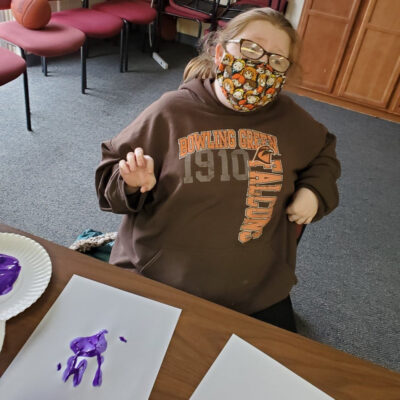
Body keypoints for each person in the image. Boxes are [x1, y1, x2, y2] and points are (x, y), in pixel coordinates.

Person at [95, 7, 341, 333]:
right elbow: (108, 177)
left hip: (255, 289)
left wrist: (314, 189)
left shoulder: (292, 121)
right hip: (159, 275)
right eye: (251, 48)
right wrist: (129, 183)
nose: (261, 64)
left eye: (277, 60)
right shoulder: (171, 112)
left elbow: (324, 152)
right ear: (222, 50)